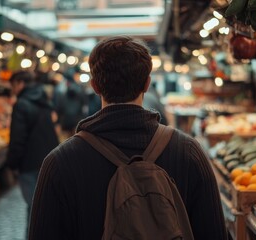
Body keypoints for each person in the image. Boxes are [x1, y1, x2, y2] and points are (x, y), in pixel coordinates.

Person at [29, 36, 227, 240]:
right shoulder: (188, 151)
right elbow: (215, 233)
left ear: (95, 85)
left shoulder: (60, 162)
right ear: (147, 84)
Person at [6, 71, 59, 218]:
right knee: (43, 206)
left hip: (29, 163)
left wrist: (12, 164)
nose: (13, 90)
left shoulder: (21, 104)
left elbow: (18, 138)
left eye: (13, 85)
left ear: (20, 83)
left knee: (33, 208)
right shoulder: (43, 100)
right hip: (48, 159)